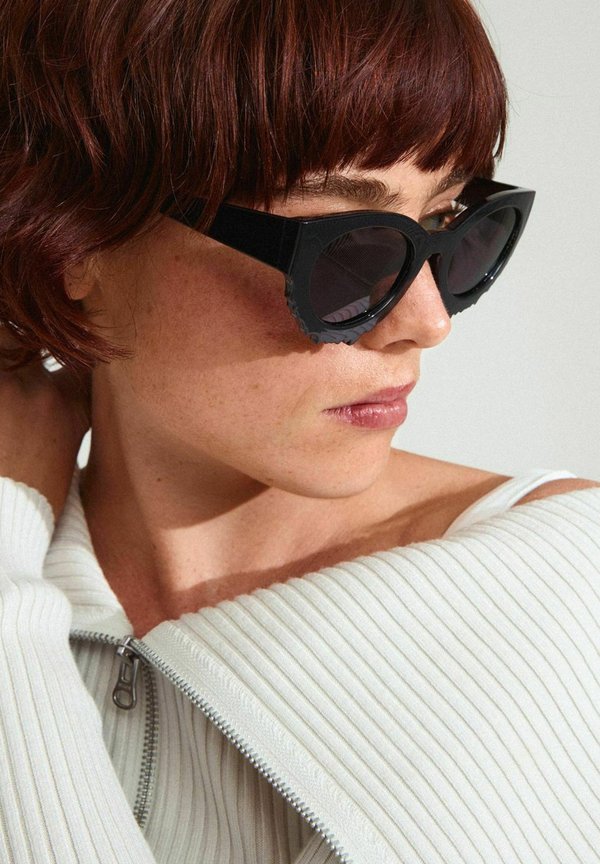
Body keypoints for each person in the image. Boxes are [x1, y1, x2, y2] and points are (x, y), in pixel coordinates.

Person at [1, 0, 599, 862]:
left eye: (448, 229)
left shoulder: (554, 594)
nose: (428, 322)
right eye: (347, 247)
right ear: (72, 242)